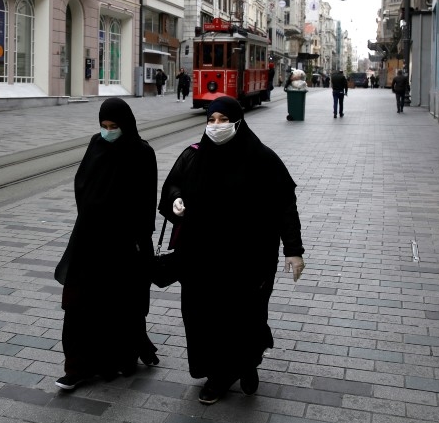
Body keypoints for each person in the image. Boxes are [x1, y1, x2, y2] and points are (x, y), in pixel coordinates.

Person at [158, 96, 305, 405]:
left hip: (248, 260)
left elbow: (284, 206)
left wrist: (293, 250)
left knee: (244, 317)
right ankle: (217, 375)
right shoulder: (193, 156)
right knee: (205, 319)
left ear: (238, 122)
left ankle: (247, 364)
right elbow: (172, 186)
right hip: (200, 257)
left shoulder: (262, 159)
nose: (216, 126)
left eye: (223, 120)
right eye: (211, 120)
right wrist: (175, 200)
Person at [54, 98, 159, 391]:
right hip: (89, 238)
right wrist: (92, 211)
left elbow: (145, 201)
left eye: (114, 127)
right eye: (104, 126)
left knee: (118, 305)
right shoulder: (96, 144)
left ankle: (117, 359)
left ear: (126, 125)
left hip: (123, 244)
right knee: (77, 304)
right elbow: (82, 183)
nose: (108, 131)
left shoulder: (141, 152)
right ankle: (76, 367)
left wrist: (139, 239)